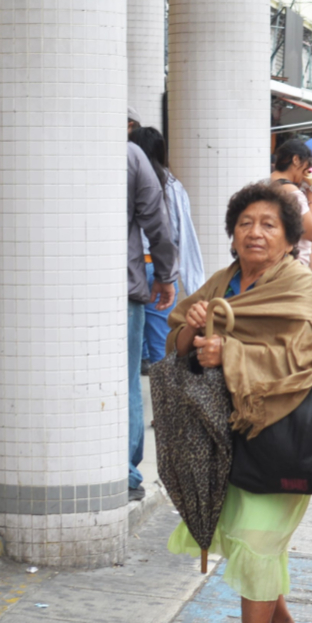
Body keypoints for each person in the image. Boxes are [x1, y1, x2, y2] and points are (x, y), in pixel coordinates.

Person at [166, 182, 312, 623]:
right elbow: (180, 343)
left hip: (285, 436)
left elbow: (310, 354)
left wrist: (232, 352)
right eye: (246, 222)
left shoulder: (296, 287)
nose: (255, 232)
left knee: (258, 542)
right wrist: (195, 334)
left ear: (291, 238)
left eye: (269, 224)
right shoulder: (223, 281)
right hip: (234, 438)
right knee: (241, 540)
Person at [127, 134, 177, 500]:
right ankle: (127, 472)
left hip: (64, 293)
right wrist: (167, 276)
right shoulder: (131, 158)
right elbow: (160, 227)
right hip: (125, 285)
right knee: (128, 380)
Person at [132, 126, 205, 368]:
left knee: (129, 350)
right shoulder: (173, 186)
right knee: (161, 347)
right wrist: (194, 285)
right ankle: (159, 394)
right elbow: (184, 235)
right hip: (158, 269)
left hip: (130, 268)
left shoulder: (123, 180)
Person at [268, 138, 312, 279]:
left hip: (275, 265)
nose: (306, 172)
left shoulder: (268, 183)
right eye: (307, 166)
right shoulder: (292, 193)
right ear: (296, 160)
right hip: (294, 269)